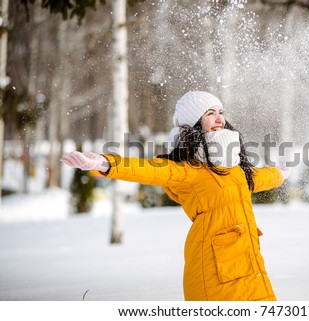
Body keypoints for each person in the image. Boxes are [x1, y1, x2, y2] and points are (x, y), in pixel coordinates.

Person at [61, 91, 289, 301]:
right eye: (210, 113)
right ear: (193, 124)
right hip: (215, 268)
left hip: (249, 263)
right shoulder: (188, 170)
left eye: (220, 112)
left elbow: (259, 177)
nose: (219, 118)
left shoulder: (235, 168)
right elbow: (147, 169)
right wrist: (106, 163)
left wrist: (281, 173)